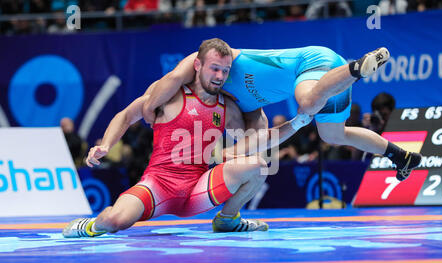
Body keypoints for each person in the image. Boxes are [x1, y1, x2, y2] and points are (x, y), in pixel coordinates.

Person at [62, 38, 308, 238]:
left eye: (225, 71)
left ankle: (228, 219)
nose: (220, 76)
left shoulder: (228, 107)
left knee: (258, 166)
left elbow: (257, 141)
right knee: (115, 220)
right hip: (158, 185)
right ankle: (90, 225)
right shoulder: (169, 94)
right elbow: (126, 115)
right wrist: (105, 145)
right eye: (214, 68)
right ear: (197, 65)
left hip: (197, 190)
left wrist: (297, 122)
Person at [142, 44, 422, 182]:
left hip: (314, 63)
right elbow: (257, 143)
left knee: (308, 103)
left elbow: (173, 78)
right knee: (334, 134)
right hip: (331, 82)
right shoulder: (250, 111)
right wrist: (226, 156)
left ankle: (357, 68)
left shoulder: (217, 63)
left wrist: (148, 108)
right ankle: (401, 156)